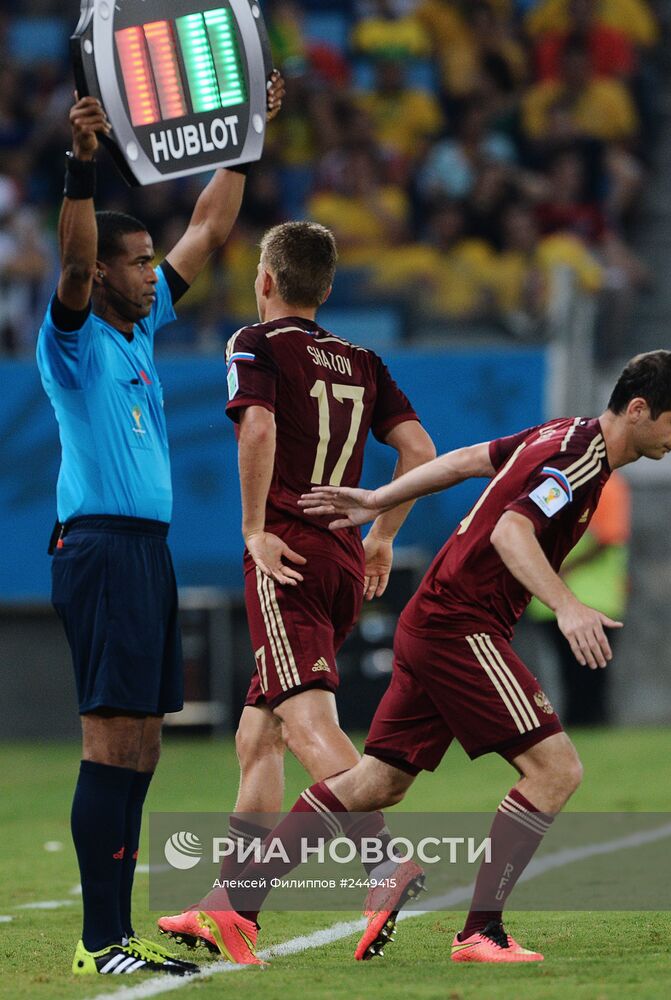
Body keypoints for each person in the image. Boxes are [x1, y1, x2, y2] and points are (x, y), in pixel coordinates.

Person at [212, 350, 671, 964]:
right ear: (639, 410)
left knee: (377, 782)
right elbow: (509, 532)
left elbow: (468, 461)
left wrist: (379, 500)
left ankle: (237, 903)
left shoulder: (563, 434)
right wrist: (568, 605)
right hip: (461, 624)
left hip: (434, 618)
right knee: (556, 771)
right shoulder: (579, 457)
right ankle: (481, 931)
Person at [36, 76, 285, 979]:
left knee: (142, 744)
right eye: (137, 263)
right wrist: (82, 166)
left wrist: (246, 130)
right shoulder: (72, 341)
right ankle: (99, 940)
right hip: (99, 548)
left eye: (150, 261)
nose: (154, 272)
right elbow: (66, 266)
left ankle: (115, 932)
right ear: (101, 272)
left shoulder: (139, 333)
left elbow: (213, 227)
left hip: (146, 552)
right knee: (110, 741)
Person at [158, 220, 435, 964]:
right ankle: (233, 909)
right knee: (260, 735)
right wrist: (379, 533)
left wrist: (254, 530)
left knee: (309, 727)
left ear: (267, 281)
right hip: (343, 560)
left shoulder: (255, 342)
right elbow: (418, 452)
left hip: (285, 558)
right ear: (329, 287)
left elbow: (256, 431)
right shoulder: (364, 359)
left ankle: (386, 866)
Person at [527, 470, 631, 724]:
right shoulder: (606, 483)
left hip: (553, 598)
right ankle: (587, 726)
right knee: (587, 675)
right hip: (590, 598)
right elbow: (610, 536)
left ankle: (580, 727)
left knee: (575, 674)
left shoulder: (551, 482)